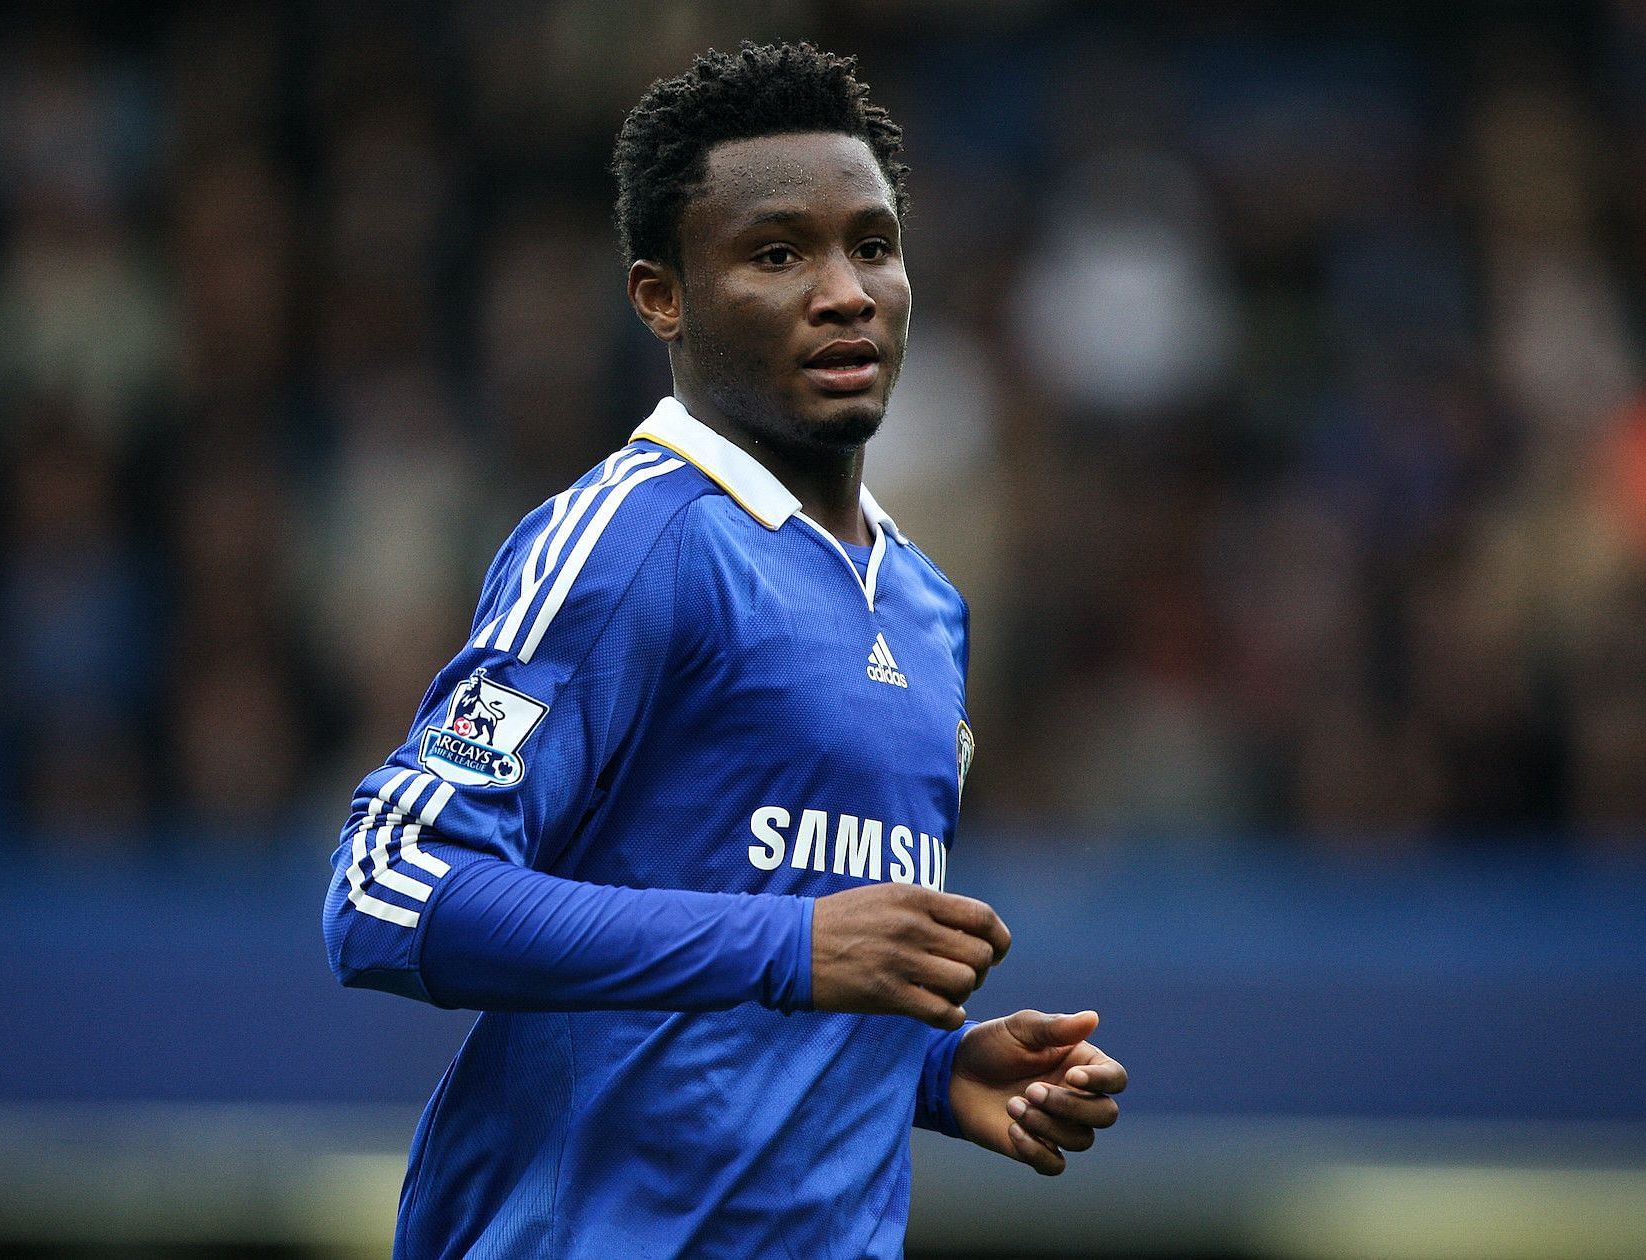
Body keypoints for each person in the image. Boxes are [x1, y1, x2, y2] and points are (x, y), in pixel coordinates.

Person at [323, 41, 1126, 1258]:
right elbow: (385, 890)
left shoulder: (924, 605)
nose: (846, 289)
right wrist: (798, 950)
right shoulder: (636, 541)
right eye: (776, 253)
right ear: (661, 296)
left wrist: (924, 1072)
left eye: (872, 244)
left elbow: (744, 981)